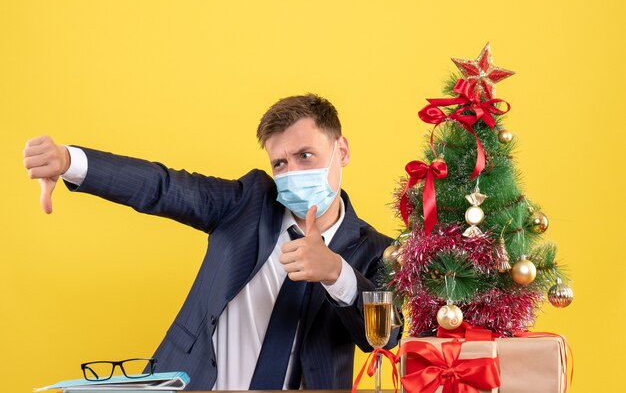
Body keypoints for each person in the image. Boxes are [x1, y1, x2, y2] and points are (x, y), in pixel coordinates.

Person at [23, 94, 401, 391]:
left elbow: (386, 337)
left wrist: (336, 272)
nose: (292, 172)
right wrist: (69, 161)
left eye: (305, 156)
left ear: (342, 152)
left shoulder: (377, 249)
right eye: (280, 164)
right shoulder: (246, 202)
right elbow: (163, 187)